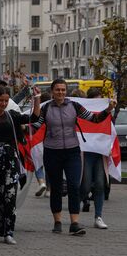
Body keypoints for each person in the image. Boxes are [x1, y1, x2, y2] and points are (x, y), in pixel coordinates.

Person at [32, 79, 115, 236]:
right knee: (56, 188)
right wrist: (35, 105)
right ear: (52, 92)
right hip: (52, 151)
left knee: (74, 186)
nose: (61, 93)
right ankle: (57, 222)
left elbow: (95, 119)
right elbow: (35, 125)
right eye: (57, 90)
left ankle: (74, 223)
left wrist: (108, 109)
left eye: (63, 90)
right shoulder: (47, 108)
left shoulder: (74, 106)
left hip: (72, 151)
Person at [0, 86, 41, 245]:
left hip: (11, 160)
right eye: (0, 100)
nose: (3, 103)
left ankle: (8, 232)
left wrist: (37, 98)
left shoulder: (12, 116)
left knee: (10, 196)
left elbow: (33, 118)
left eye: (6, 101)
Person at [80, 87, 109, 229]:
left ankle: (98, 216)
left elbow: (111, 132)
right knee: (84, 186)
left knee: (99, 184)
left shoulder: (107, 113)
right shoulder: (83, 113)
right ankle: (75, 207)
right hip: (86, 154)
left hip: (100, 154)